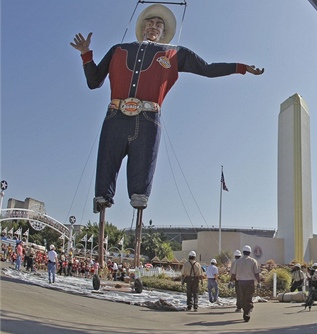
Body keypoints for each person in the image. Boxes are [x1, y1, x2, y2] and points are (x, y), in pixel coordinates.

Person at [70, 4, 264, 214]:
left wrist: (240, 67)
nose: (154, 27)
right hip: (116, 116)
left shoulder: (174, 53)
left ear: (164, 32)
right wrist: (86, 54)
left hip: (148, 118)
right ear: (143, 28)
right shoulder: (118, 49)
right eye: (150, 23)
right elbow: (94, 81)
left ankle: (138, 204)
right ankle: (102, 199)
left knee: (140, 187)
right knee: (105, 173)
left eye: (159, 25)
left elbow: (207, 68)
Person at [231, 245, 260, 322]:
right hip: (250, 282)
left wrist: (231, 281)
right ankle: (246, 313)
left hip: (240, 282)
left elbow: (233, 273)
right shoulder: (253, 261)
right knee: (248, 298)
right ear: (250, 252)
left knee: (242, 297)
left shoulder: (238, 261)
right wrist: (259, 282)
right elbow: (257, 273)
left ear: (243, 252)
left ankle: (245, 312)